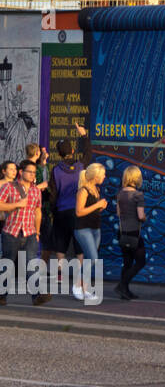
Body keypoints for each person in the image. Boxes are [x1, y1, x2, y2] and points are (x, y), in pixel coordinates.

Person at [0, 160, 51, 305]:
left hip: (29, 232)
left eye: (34, 172)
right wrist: (16, 204)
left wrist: (37, 231)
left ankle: (37, 295)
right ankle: (1, 294)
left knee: (31, 263)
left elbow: (37, 211)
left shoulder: (35, 191)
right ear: (21, 172)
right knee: (7, 264)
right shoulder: (9, 187)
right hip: (11, 231)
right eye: (30, 172)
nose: (32, 175)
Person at [47, 129, 87, 269]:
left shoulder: (55, 170)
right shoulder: (81, 166)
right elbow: (89, 153)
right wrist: (84, 135)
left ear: (58, 154)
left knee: (61, 242)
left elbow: (53, 193)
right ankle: (80, 272)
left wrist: (53, 210)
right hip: (78, 210)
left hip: (61, 211)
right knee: (79, 243)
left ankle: (60, 273)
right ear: (73, 150)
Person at [72, 162, 108, 302]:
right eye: (103, 174)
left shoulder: (95, 189)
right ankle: (77, 285)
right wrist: (97, 205)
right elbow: (79, 212)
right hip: (83, 228)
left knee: (89, 259)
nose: (105, 177)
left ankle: (85, 288)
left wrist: (100, 207)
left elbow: (91, 209)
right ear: (96, 175)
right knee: (93, 258)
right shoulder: (83, 190)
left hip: (95, 227)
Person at [115, 165, 148, 300]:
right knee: (141, 261)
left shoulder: (120, 193)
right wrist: (145, 217)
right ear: (137, 178)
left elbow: (118, 213)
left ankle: (125, 291)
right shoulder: (138, 195)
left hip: (122, 231)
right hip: (134, 232)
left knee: (127, 262)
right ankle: (122, 285)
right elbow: (140, 216)